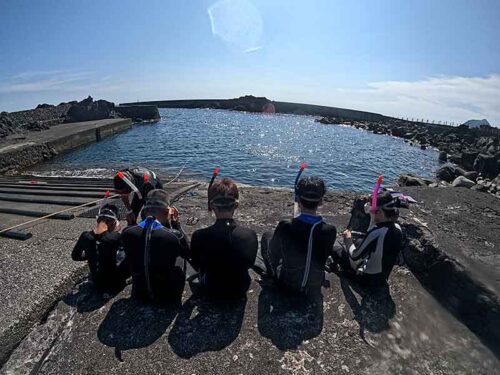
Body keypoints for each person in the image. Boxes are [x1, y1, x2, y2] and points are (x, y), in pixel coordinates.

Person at [260, 176, 337, 293]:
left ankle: (271, 273)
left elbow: (273, 252)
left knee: (267, 236)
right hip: (314, 286)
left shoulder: (285, 226)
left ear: (297, 199)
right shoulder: (330, 230)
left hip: (286, 285)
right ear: (321, 201)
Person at [190, 178, 258, 298]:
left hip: (211, 288)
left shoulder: (199, 235)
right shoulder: (250, 235)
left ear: (211, 206)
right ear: (236, 205)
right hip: (240, 288)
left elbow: (196, 265)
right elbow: (249, 264)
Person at [121, 189, 189, 304]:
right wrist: (176, 225)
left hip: (139, 293)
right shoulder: (174, 235)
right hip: (168, 295)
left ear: (145, 210)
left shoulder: (127, 232)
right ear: (167, 211)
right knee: (181, 255)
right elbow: (188, 253)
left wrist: (131, 224)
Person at [333, 191, 404, 286]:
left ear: (380, 212)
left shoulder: (375, 232)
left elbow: (355, 255)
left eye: (373, 210)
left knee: (336, 247)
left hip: (366, 279)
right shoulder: (397, 228)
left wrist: (348, 240)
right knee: (359, 241)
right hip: (382, 278)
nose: (370, 212)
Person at [72, 204, 129, 291]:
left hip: (96, 282)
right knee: (127, 252)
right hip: (115, 284)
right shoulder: (116, 237)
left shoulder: (85, 236)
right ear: (113, 223)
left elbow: (75, 256)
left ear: (98, 220)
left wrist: (92, 254)